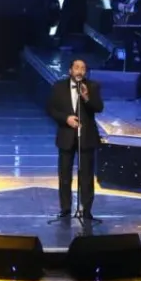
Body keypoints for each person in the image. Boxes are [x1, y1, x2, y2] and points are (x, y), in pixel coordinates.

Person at [47, 58, 104, 221]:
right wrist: (66, 119)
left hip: (86, 137)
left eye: (83, 68)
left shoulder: (92, 86)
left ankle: (86, 210)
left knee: (86, 176)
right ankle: (65, 208)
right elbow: (51, 109)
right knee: (65, 175)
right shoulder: (58, 87)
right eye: (77, 67)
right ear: (70, 70)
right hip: (66, 136)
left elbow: (99, 107)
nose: (80, 71)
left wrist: (86, 97)